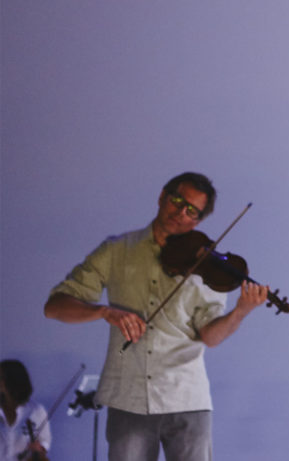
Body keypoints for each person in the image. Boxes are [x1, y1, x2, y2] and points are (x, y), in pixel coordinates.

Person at [44, 172, 268, 461]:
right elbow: (54, 307)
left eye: (192, 211)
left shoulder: (208, 264)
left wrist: (240, 312)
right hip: (127, 396)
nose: (181, 213)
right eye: (178, 201)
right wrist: (103, 311)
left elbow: (210, 337)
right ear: (163, 197)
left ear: (198, 220)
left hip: (187, 396)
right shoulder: (116, 250)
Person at [0, 360, 50, 461]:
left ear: (13, 380)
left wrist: (39, 448)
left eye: (1, 377)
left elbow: (45, 441)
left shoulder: (37, 411)